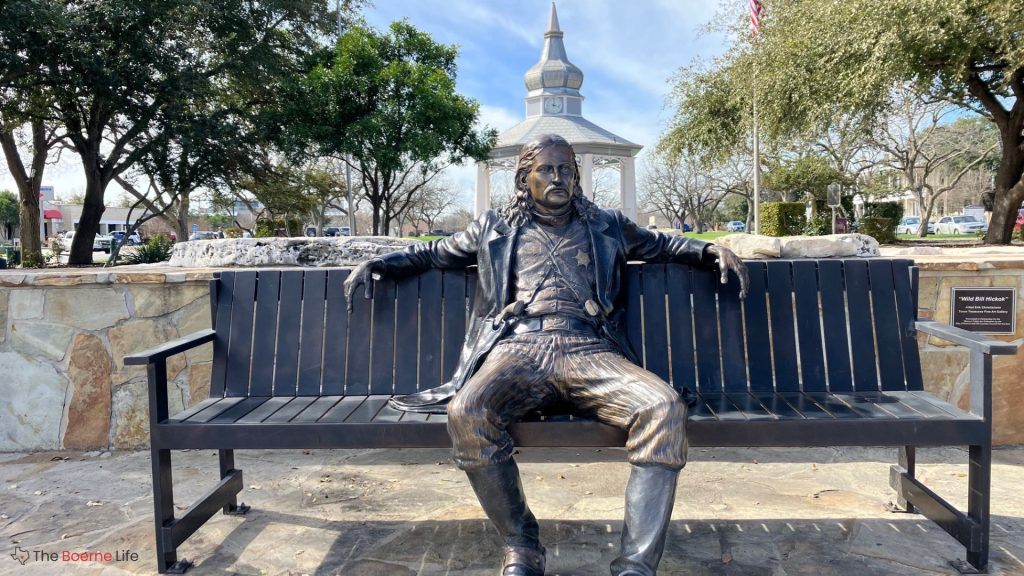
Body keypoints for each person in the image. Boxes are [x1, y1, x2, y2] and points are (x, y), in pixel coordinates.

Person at [346, 134, 748, 576]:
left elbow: (664, 244)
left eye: (567, 170)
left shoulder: (608, 225)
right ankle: (522, 545)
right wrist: (383, 263)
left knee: (664, 407)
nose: (559, 178)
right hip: (517, 351)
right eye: (547, 170)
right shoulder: (494, 226)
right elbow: (435, 252)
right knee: (468, 411)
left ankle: (635, 565)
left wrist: (710, 249)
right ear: (525, 178)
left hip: (591, 350)